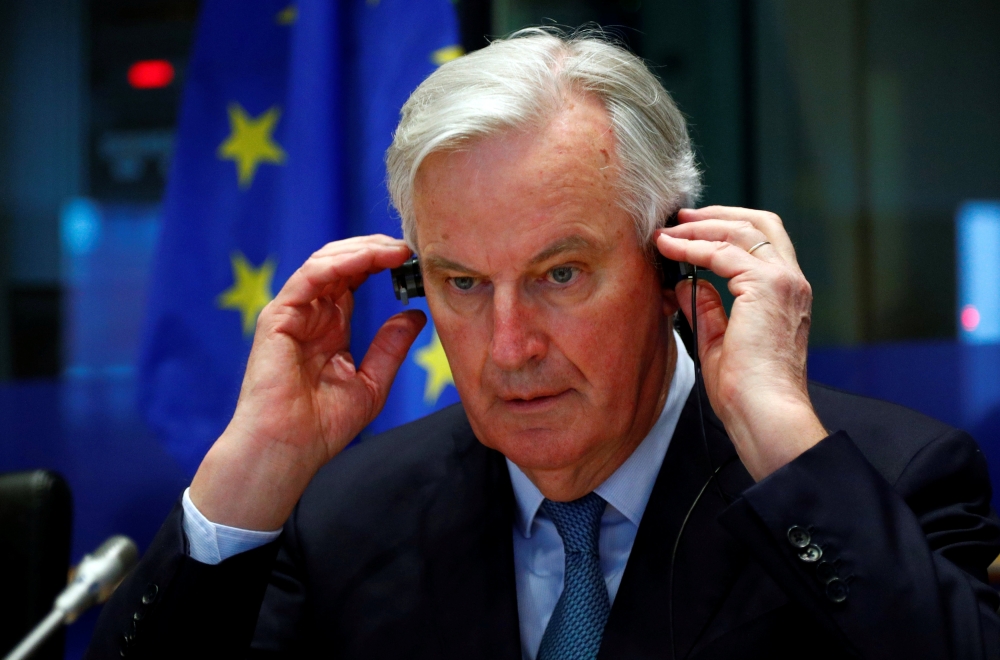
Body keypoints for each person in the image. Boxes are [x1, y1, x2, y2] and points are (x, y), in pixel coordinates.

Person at [88, 29, 1000, 660]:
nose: (508, 346)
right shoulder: (347, 514)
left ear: (671, 264)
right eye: (464, 284)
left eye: (560, 274)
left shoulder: (881, 481)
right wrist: (252, 473)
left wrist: (779, 443)